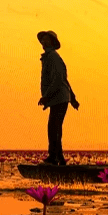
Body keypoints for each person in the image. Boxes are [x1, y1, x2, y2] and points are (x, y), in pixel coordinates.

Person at [37, 30, 79, 165]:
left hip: (59, 97)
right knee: (55, 127)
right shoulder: (49, 57)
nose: (43, 41)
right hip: (58, 97)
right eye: (42, 39)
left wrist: (46, 96)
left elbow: (58, 80)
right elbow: (64, 80)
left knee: (53, 127)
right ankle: (58, 157)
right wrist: (72, 98)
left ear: (52, 42)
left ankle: (54, 157)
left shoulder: (53, 57)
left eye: (46, 39)